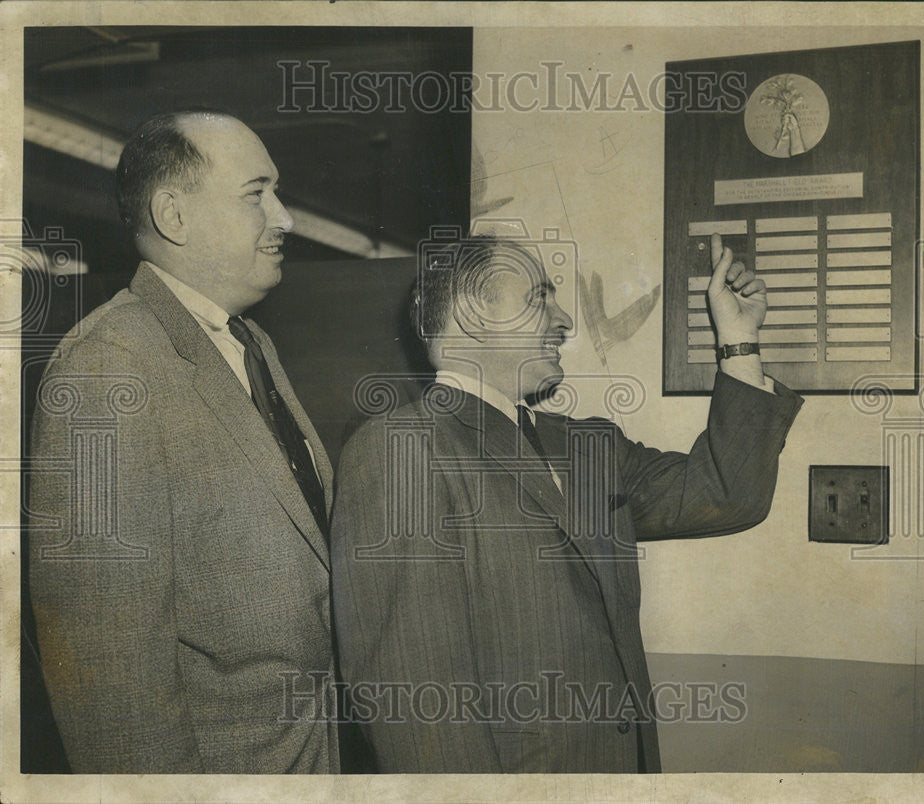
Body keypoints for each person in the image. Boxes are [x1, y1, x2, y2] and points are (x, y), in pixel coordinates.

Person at [330, 233, 802, 773]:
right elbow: (414, 707)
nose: (564, 320)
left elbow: (728, 494)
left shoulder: (586, 444)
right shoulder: (401, 447)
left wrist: (738, 340)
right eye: (539, 297)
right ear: (470, 312)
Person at [28, 111, 338, 773]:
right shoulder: (107, 366)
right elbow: (106, 675)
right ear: (174, 214)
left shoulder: (252, 346)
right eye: (257, 194)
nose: (283, 218)